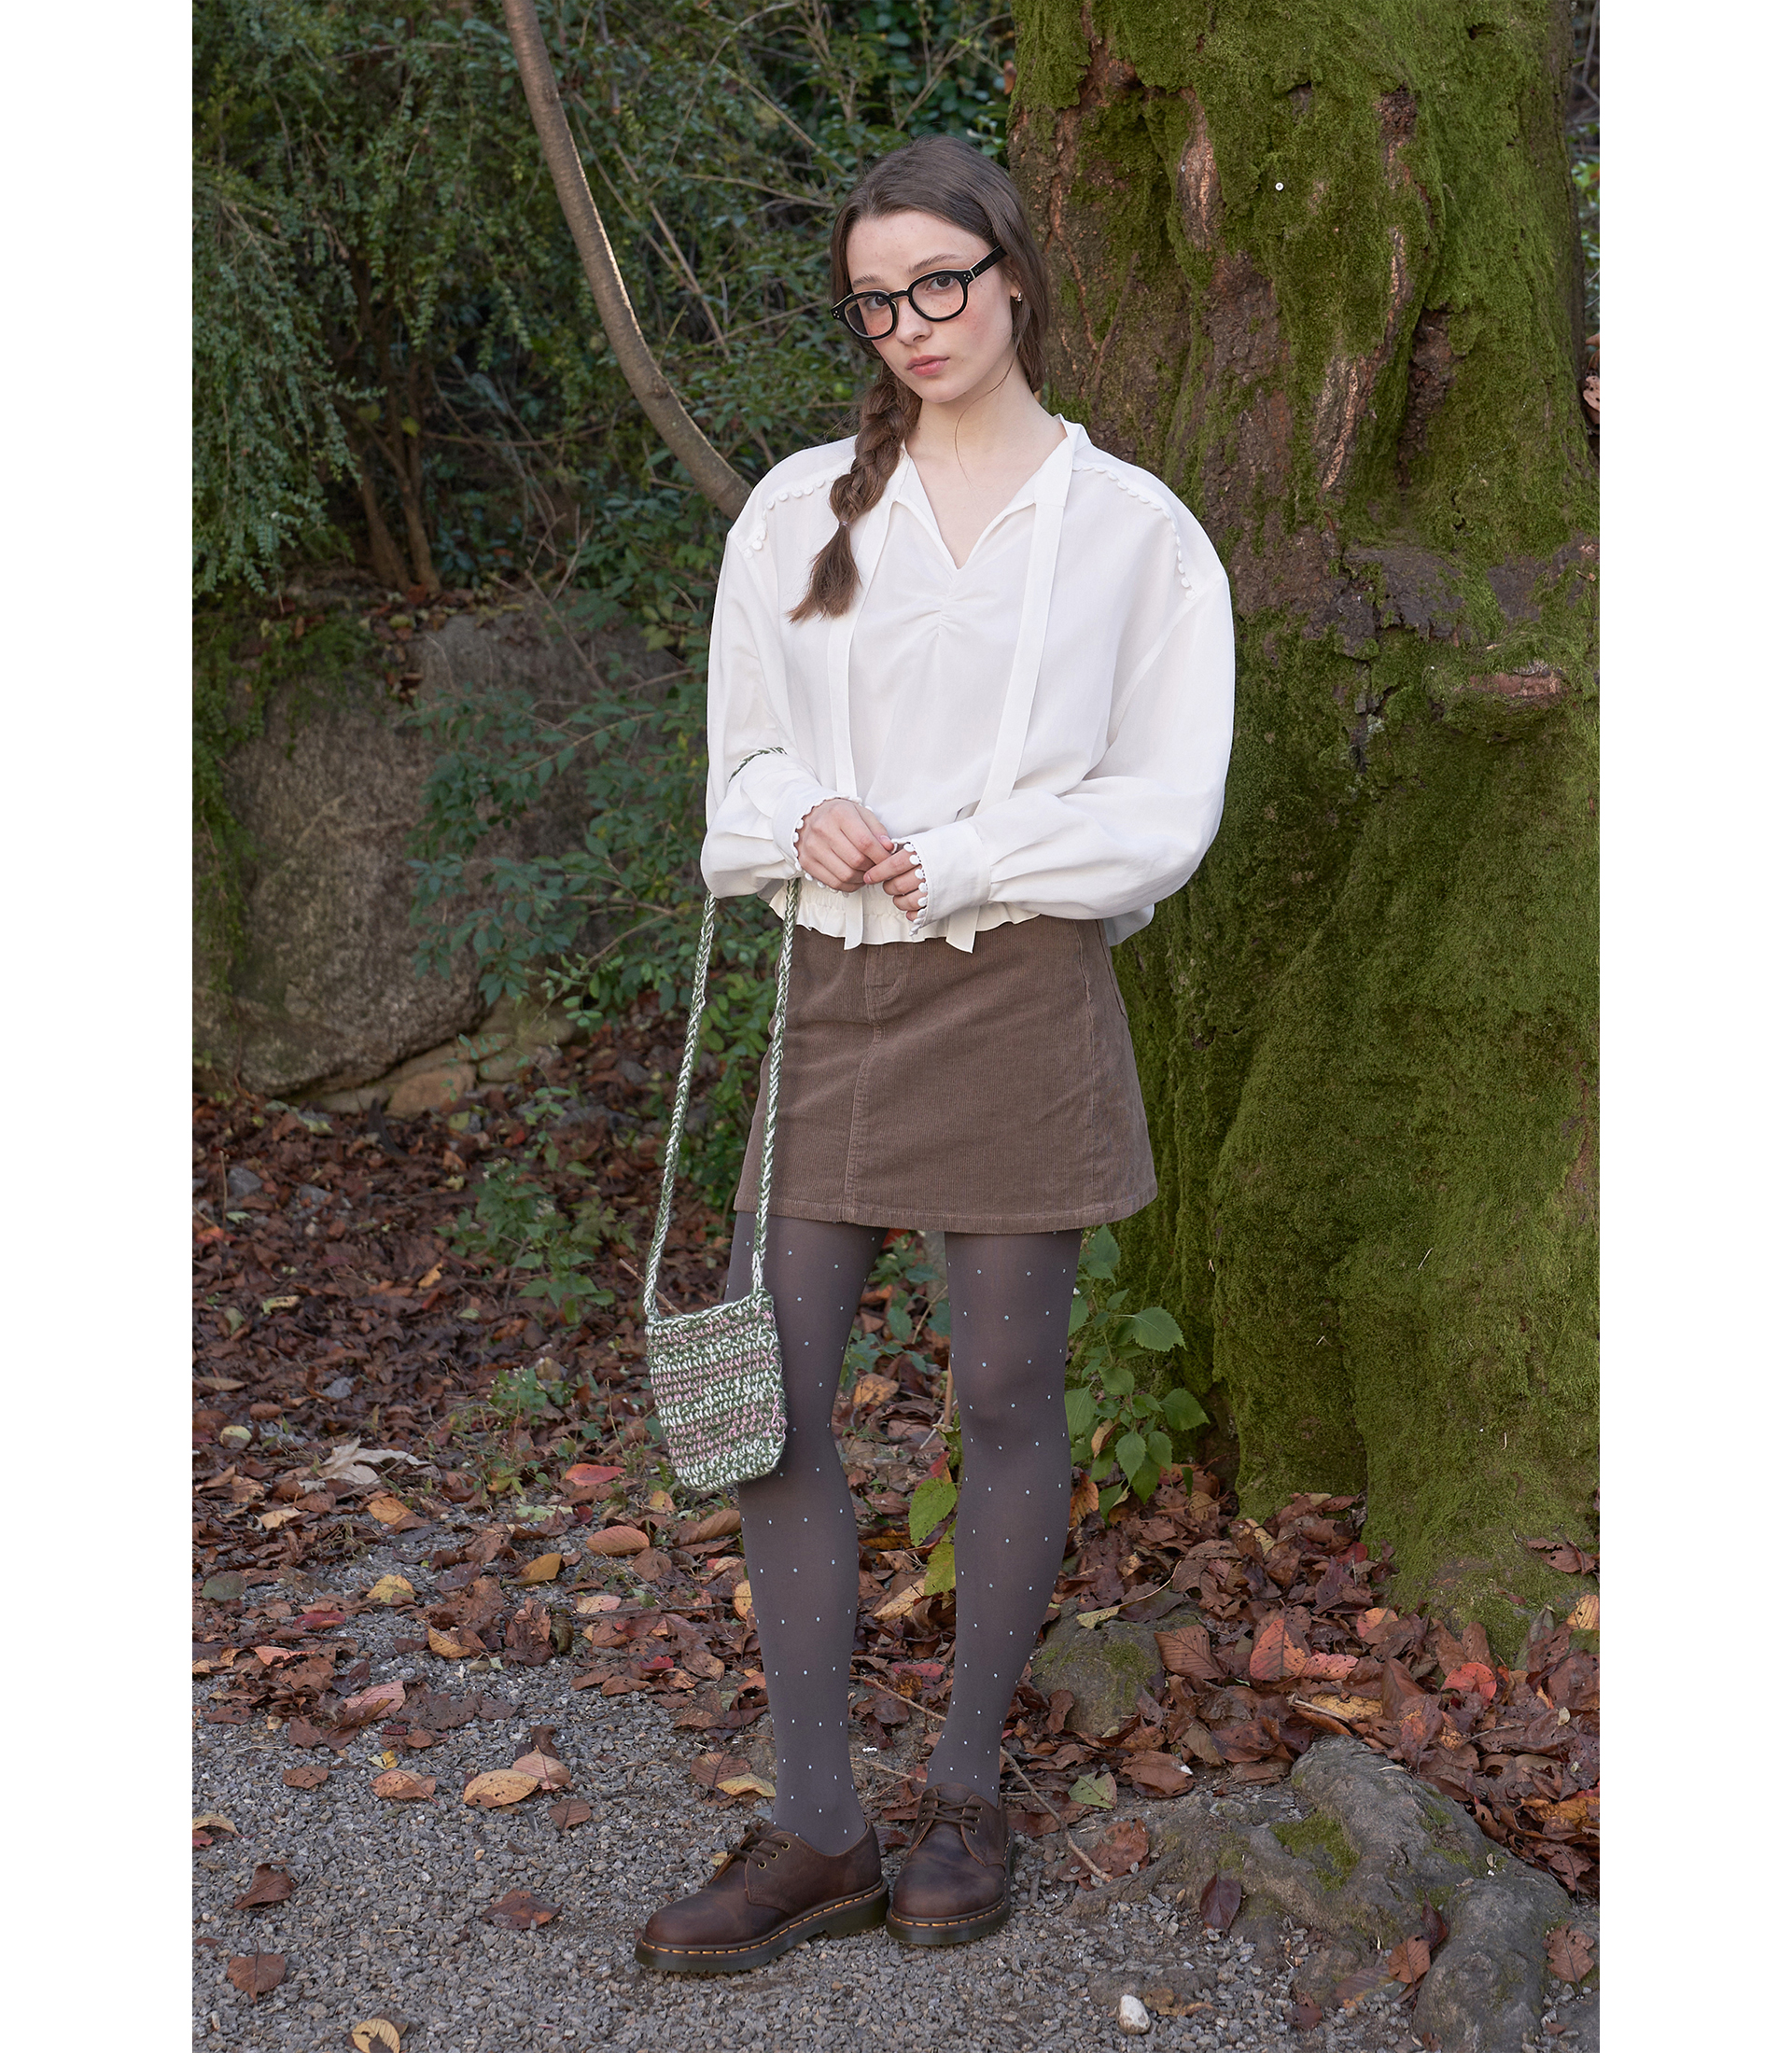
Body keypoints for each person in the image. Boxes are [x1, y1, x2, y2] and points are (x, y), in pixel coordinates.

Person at [635, 132, 1234, 1975]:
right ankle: (820, 1821)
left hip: (1026, 989)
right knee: (773, 1397)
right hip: (836, 993)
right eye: (876, 299)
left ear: (1013, 275)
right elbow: (743, 758)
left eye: (941, 282)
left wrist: (966, 856)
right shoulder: (800, 513)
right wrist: (799, 813)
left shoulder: (1134, 532)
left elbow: (1166, 802)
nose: (912, 322)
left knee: (1006, 1394)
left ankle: (965, 1787)